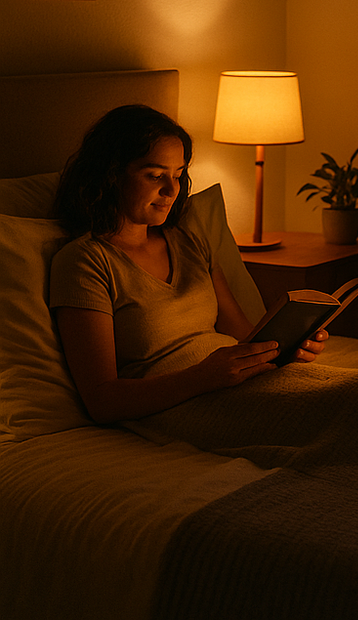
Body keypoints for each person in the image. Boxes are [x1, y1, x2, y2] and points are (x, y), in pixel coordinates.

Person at [49, 104, 328, 423]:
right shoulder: (85, 262)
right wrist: (202, 377)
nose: (171, 190)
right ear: (111, 174)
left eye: (178, 175)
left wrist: (287, 350)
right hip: (186, 406)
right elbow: (102, 400)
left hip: (242, 387)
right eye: (155, 175)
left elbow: (245, 338)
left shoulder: (189, 241)